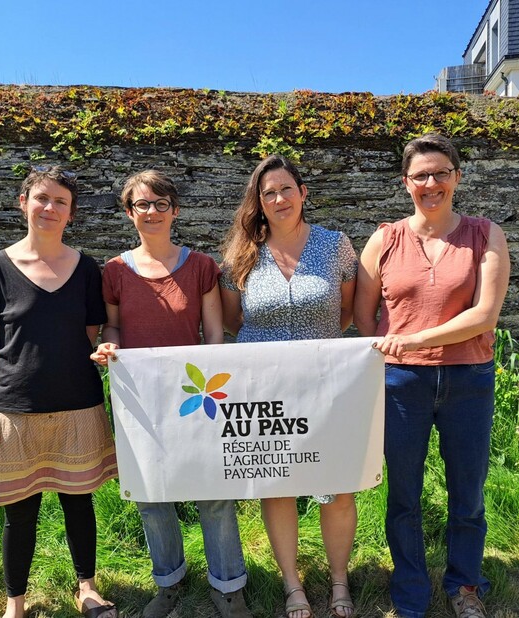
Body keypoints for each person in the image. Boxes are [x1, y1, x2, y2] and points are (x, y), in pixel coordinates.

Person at [353, 133, 511, 618]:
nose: (431, 183)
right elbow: (363, 315)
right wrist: (391, 353)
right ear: (406, 183)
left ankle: (465, 587)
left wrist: (413, 339)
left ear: (457, 177)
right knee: (404, 495)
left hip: (468, 380)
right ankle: (411, 593)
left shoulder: (485, 234)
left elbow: (485, 315)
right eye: (421, 175)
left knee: (468, 492)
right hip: (402, 384)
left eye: (441, 172)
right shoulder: (384, 239)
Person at [90, 170, 252, 618]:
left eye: (161, 204)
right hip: (139, 398)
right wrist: (109, 346)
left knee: (213, 491)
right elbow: (113, 327)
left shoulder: (200, 266)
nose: (152, 212)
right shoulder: (115, 271)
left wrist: (217, 386)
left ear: (175, 210)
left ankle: (228, 586)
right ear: (129, 213)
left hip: (196, 394)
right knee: (151, 494)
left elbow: (214, 334)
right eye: (142, 204)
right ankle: (169, 583)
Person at [0, 165, 118, 618]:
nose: (50, 208)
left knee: (79, 502)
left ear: (71, 213)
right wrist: (19, 377)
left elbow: (89, 333)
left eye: (61, 202)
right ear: (24, 203)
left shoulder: (86, 268)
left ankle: (87, 588)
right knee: (19, 512)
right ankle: (15, 602)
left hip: (78, 404)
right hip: (15, 410)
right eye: (42, 198)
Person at [219, 155, 358, 618]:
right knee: (277, 485)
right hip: (264, 388)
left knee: (337, 485)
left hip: (326, 384)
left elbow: (346, 313)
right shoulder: (241, 255)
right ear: (258, 202)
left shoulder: (336, 246)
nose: (279, 199)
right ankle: (292, 584)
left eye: (286, 189)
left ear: (303, 193)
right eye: (268, 193)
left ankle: (339, 581)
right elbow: (233, 321)